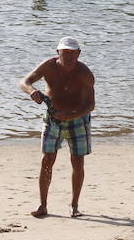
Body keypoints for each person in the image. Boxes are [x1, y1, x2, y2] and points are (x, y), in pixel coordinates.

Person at [20, 36, 96, 218]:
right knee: (47, 160)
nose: (69, 57)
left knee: (77, 161)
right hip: (53, 118)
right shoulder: (49, 65)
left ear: (78, 53)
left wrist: (71, 115)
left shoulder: (84, 73)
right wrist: (32, 92)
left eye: (72, 53)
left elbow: (90, 105)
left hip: (78, 119)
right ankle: (43, 205)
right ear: (58, 53)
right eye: (65, 53)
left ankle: (74, 205)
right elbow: (24, 82)